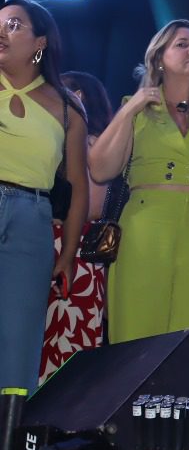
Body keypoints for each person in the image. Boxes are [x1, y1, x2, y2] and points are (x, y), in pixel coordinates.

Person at [89, 19, 189, 345]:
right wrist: (130, 109)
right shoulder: (135, 107)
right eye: (182, 44)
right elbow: (100, 169)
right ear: (159, 57)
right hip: (145, 230)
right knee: (136, 335)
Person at [0, 0, 88, 400]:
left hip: (32, 219)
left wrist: (68, 252)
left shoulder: (67, 106)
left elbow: (78, 185)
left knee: (19, 339)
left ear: (40, 42)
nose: (2, 32)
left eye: (14, 24)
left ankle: (9, 435)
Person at [40, 71, 114, 383]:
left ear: (78, 96)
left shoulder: (93, 143)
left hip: (76, 251)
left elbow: (92, 206)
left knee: (67, 344)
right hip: (50, 243)